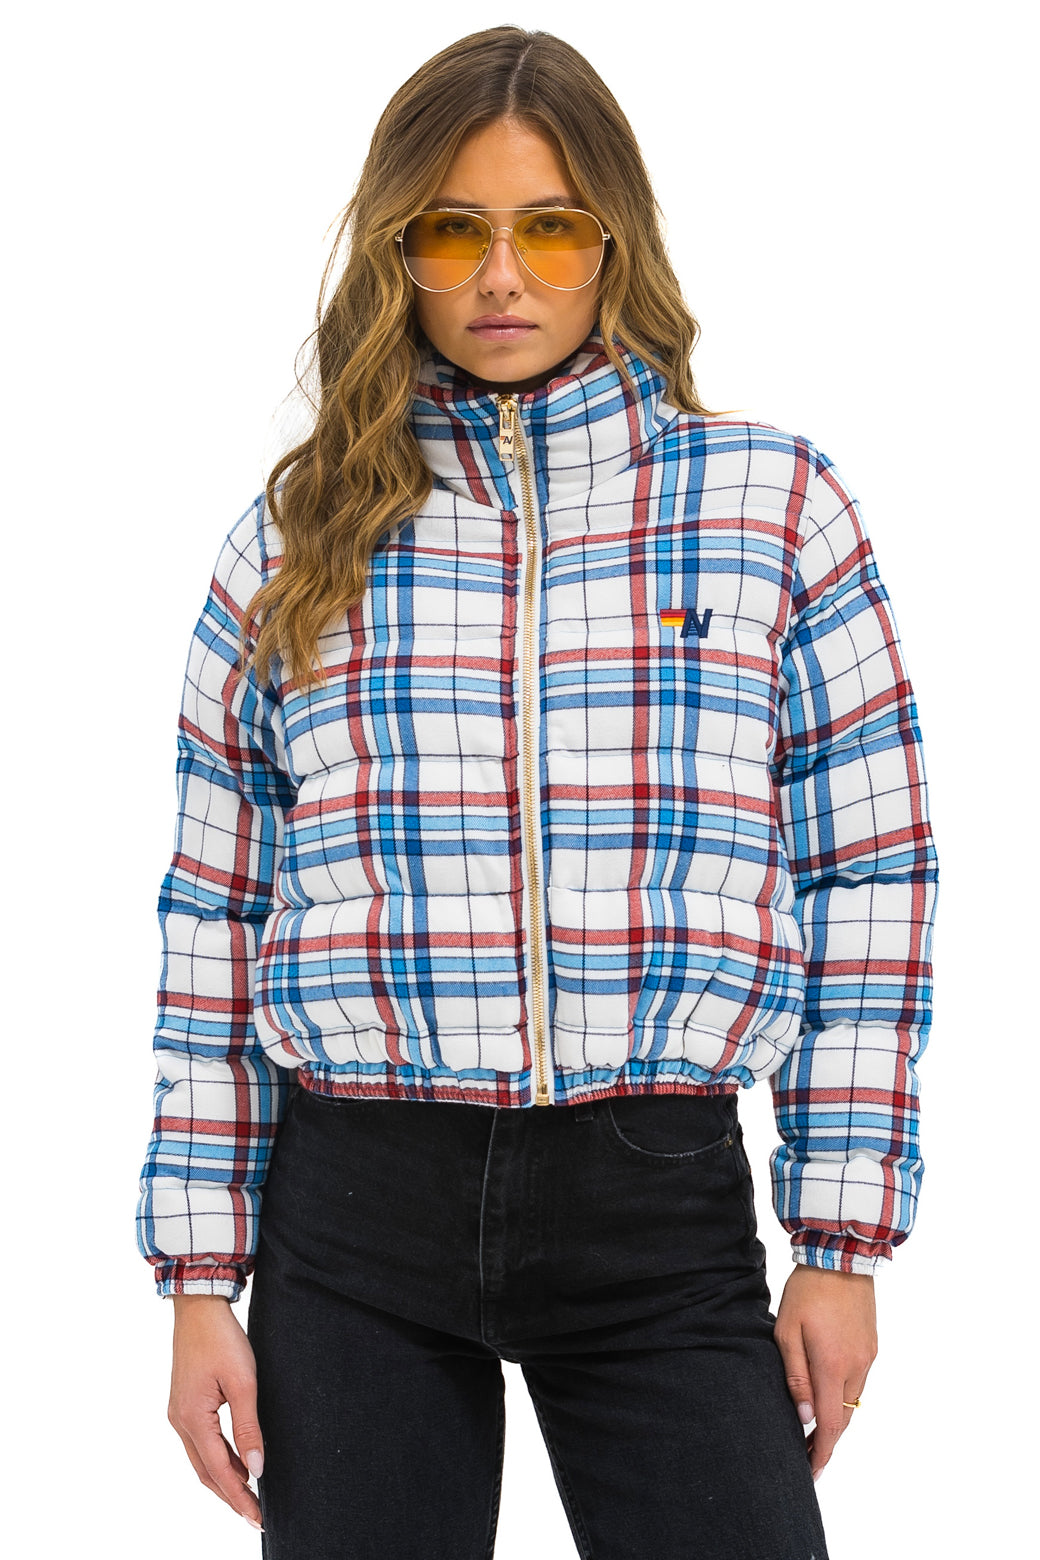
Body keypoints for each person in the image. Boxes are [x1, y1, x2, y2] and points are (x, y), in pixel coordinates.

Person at [136, 25, 938, 1560]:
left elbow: (871, 874)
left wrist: (841, 1242)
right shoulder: (297, 538)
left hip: (656, 1212)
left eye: (550, 227)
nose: (501, 276)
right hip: (352, 1222)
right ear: (399, 254)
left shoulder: (771, 507)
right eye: (453, 230)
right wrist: (195, 1284)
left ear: (612, 241)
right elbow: (215, 912)